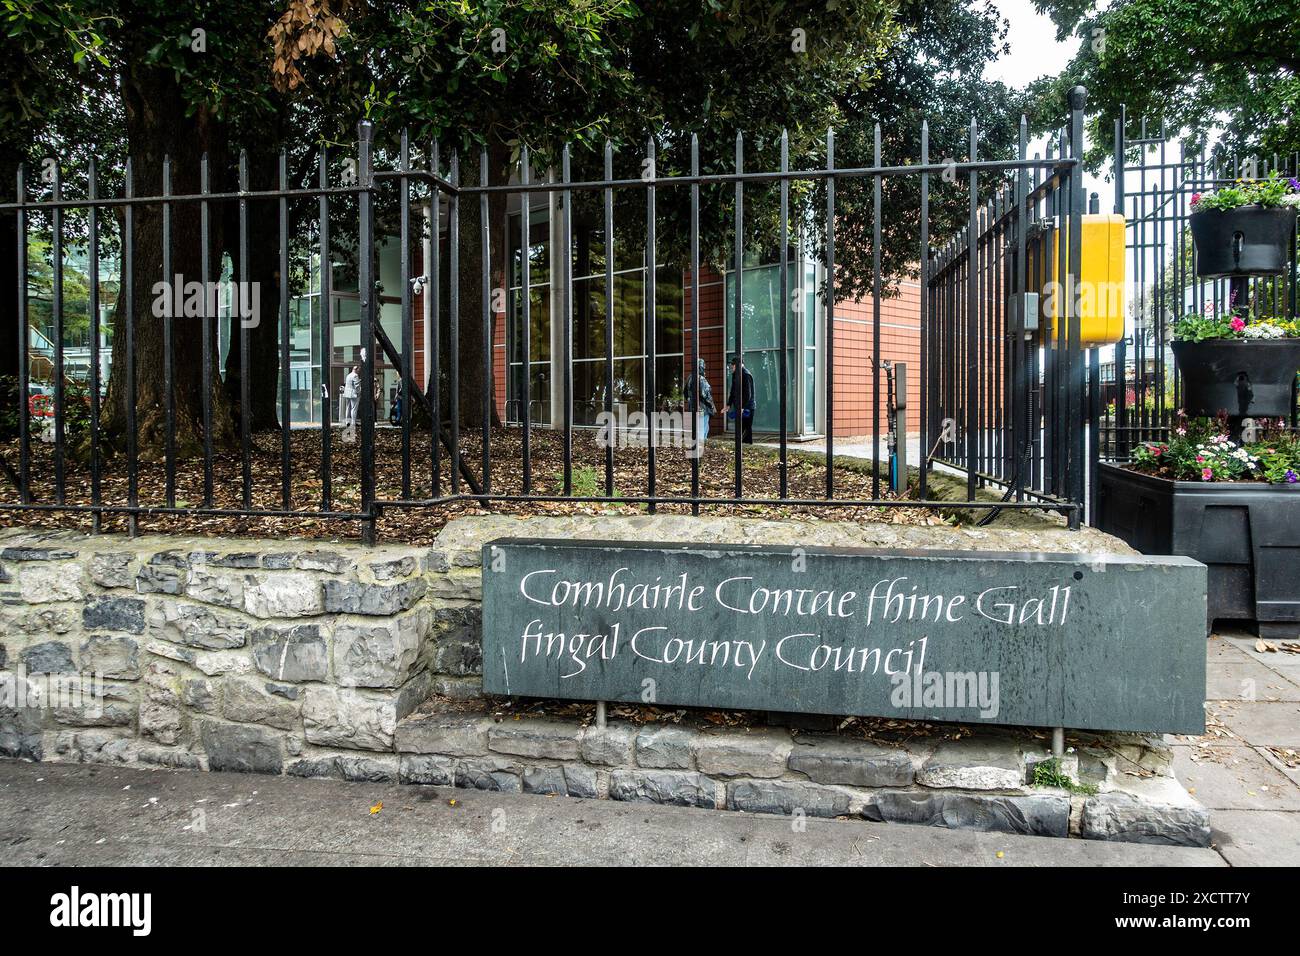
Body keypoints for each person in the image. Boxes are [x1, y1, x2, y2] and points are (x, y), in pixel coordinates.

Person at [723, 354, 755, 444]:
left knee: (746, 429)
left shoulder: (746, 375)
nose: (732, 366)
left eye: (734, 365)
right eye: (732, 364)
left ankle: (747, 447)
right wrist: (729, 404)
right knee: (740, 429)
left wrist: (742, 407)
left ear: (741, 364)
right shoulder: (735, 375)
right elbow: (733, 391)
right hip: (740, 406)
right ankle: (742, 448)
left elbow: (748, 394)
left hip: (747, 407)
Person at [684, 358, 715, 447]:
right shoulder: (701, 379)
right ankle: (700, 452)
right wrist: (711, 406)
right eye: (703, 367)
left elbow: (685, 393)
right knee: (703, 431)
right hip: (703, 409)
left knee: (697, 430)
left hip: (693, 408)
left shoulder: (689, 377)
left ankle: (697, 449)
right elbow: (706, 395)